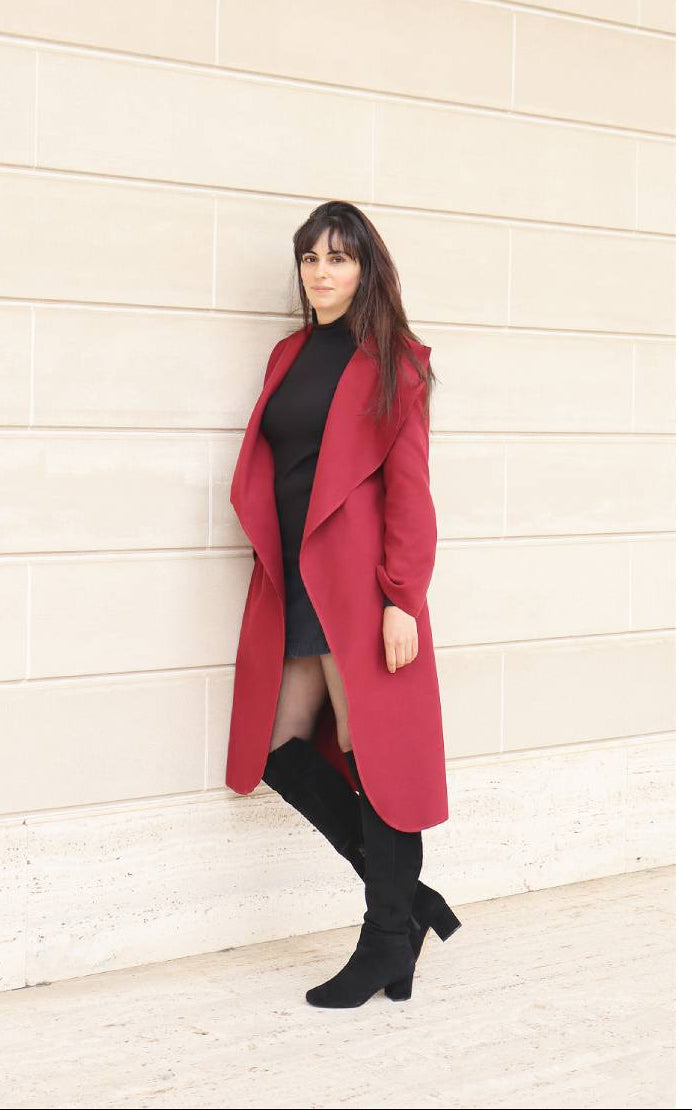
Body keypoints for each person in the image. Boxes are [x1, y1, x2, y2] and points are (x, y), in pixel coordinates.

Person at [227, 200, 460, 1008]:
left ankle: (385, 939)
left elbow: (411, 491)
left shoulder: (395, 361)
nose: (321, 272)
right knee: (277, 745)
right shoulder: (288, 355)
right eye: (310, 258)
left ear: (367, 270)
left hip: (362, 589)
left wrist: (402, 597)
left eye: (339, 258)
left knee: (377, 760)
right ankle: (410, 908)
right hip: (293, 578)